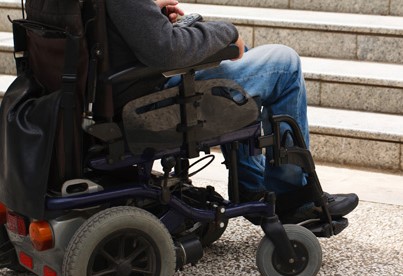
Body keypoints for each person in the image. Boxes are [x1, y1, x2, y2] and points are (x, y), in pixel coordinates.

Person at [105, 0, 359, 222]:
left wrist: (150, 14)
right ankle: (291, 196)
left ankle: (252, 184)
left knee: (240, 57)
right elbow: (166, 49)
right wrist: (227, 31)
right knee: (285, 64)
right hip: (147, 103)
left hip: (130, 91)